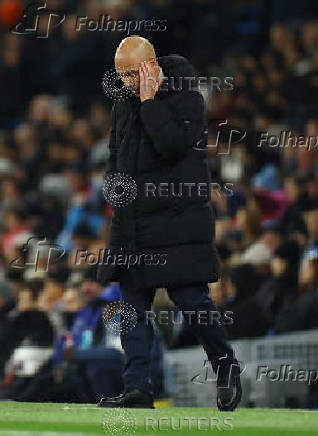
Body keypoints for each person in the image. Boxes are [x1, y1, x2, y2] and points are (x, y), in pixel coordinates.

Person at [97, 36, 241, 411]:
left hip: (177, 226)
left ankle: (226, 370)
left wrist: (149, 101)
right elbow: (116, 156)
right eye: (120, 74)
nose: (126, 81)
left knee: (193, 302)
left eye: (132, 72)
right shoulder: (121, 106)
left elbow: (173, 145)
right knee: (130, 307)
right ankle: (138, 387)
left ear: (151, 65)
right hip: (133, 227)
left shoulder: (187, 97)